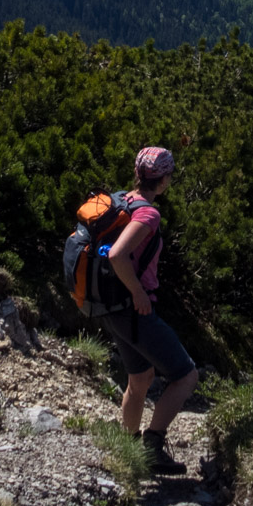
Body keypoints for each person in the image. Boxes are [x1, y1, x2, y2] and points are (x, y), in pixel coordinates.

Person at [102, 145, 200, 474]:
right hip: (133, 307)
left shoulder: (121, 200)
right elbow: (117, 255)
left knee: (140, 377)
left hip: (111, 305)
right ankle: (153, 446)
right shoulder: (148, 213)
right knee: (186, 376)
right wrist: (138, 292)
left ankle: (127, 450)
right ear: (163, 181)